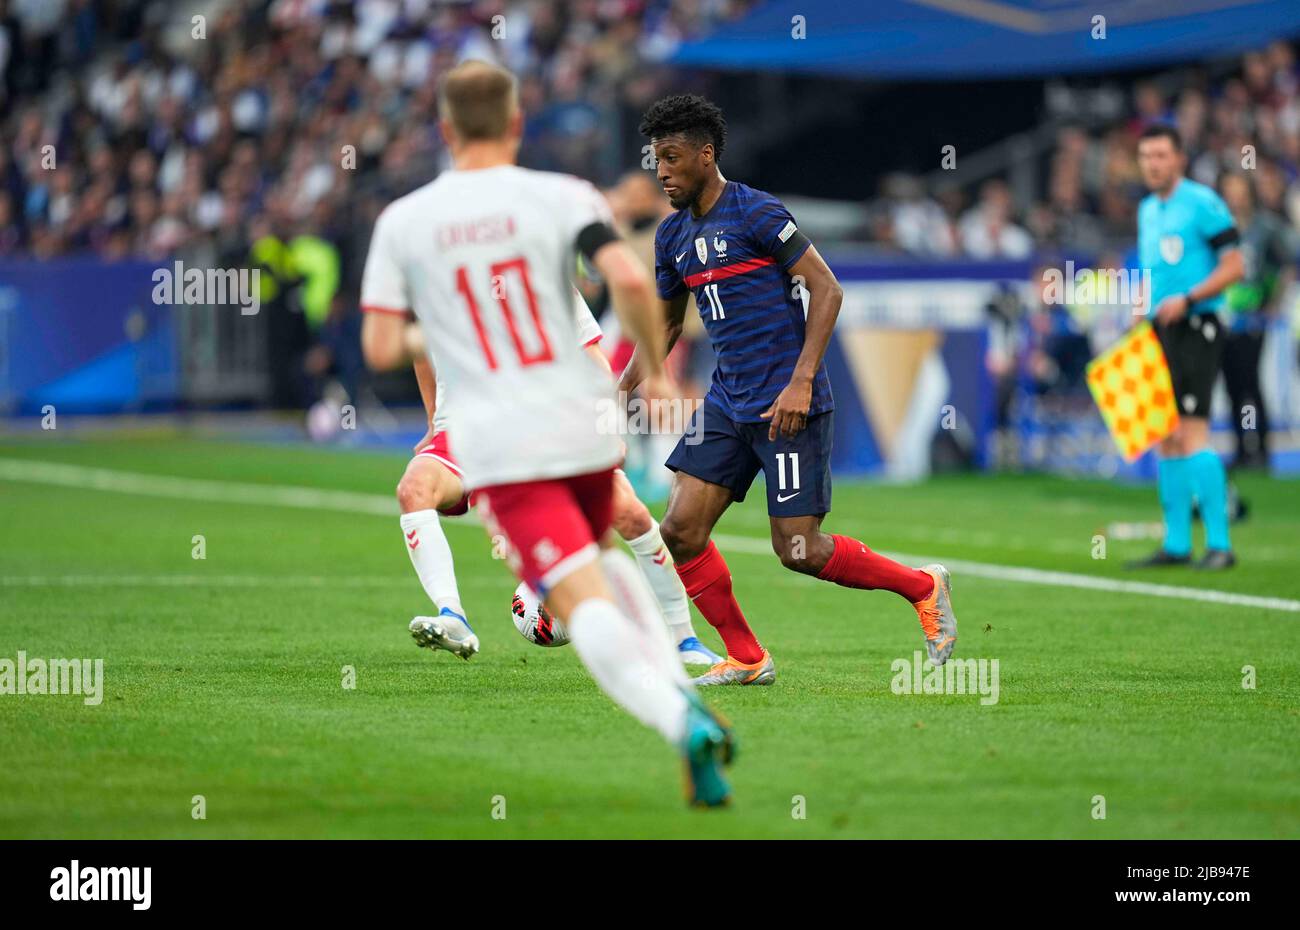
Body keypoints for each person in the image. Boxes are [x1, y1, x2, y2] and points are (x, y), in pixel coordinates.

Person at [359, 62, 734, 806]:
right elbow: (628, 281)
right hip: (579, 419)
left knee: (579, 595)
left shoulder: (406, 221)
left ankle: (679, 718)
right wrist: (655, 375)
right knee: (604, 546)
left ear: (443, 130)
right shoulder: (564, 196)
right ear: (518, 124)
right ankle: (678, 664)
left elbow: (377, 348)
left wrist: (445, 330)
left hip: (504, 437)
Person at [619, 94, 958, 687]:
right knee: (678, 529)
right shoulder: (671, 236)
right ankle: (748, 658)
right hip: (727, 399)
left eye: (671, 159)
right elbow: (669, 322)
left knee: (798, 550)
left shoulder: (755, 212)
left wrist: (802, 382)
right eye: (655, 160)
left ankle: (923, 586)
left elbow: (826, 290)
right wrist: (623, 385)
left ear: (705, 153)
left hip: (787, 403)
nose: (662, 172)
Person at [392, 287, 722, 666]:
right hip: (466, 431)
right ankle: (452, 616)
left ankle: (684, 640)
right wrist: (434, 421)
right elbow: (422, 351)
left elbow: (592, 356)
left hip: (549, 430)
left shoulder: (544, 273)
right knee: (414, 488)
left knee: (630, 513)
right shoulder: (437, 277)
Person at [1125, 125, 1244, 571]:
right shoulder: (1147, 210)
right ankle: (1176, 544)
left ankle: (1220, 544)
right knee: (1166, 436)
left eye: (1160, 155)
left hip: (1198, 324)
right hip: (1159, 330)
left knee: (1193, 432)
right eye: (1146, 156)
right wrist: (1139, 312)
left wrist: (1190, 298)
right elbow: (1151, 271)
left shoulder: (1203, 202)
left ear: (1179, 159)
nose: (1153, 163)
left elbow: (1236, 266)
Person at [1218, 172, 1294, 470]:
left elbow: (1287, 262)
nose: (1234, 197)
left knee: (1250, 381)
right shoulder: (1217, 227)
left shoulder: (1264, 226)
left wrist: (1274, 301)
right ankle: (1240, 450)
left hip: (1252, 318)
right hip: (1223, 315)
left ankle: (1261, 450)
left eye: (1239, 191)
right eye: (1229, 191)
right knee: (1232, 383)